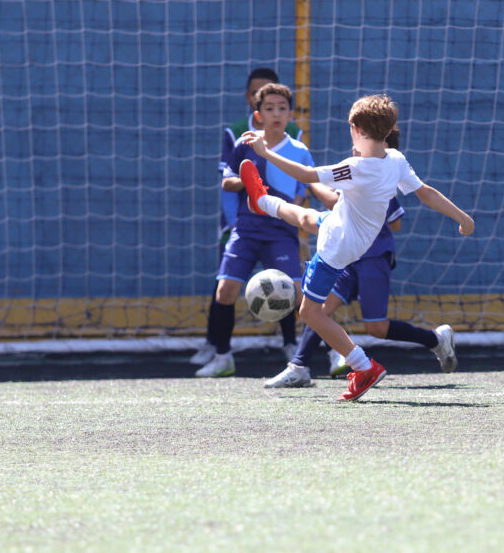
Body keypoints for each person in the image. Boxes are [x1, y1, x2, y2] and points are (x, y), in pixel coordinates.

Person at [239, 94, 474, 400]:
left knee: (310, 313)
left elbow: (308, 176)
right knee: (307, 217)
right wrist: (461, 216)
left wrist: (265, 151)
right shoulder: (395, 160)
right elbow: (425, 193)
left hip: (337, 247)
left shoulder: (355, 167)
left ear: (354, 127)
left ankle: (364, 366)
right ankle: (262, 201)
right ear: (388, 131)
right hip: (351, 232)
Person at [195, 82, 315, 378]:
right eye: (269, 108)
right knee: (225, 291)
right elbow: (227, 181)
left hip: (280, 232)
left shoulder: (298, 150)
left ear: (290, 113)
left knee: (298, 294)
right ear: (258, 114)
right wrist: (249, 181)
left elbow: (306, 186)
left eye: (282, 108)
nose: (276, 113)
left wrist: (296, 207)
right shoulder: (246, 144)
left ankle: (296, 352)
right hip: (247, 230)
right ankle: (223, 357)